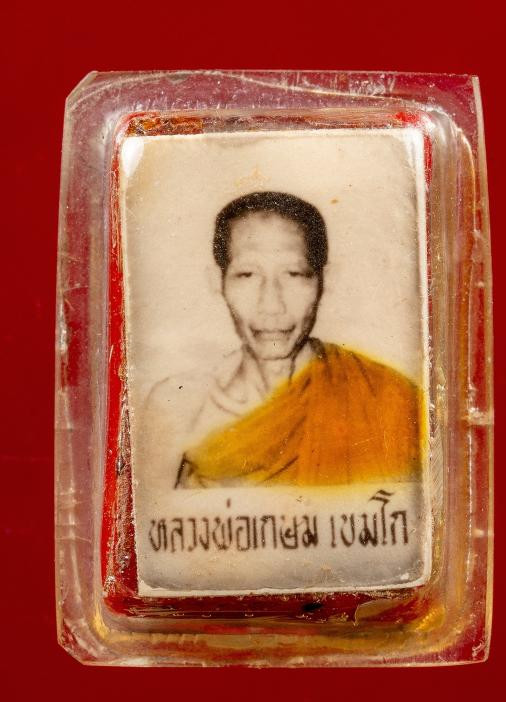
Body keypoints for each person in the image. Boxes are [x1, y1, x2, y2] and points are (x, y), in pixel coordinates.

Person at [143, 191, 422, 490]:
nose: (272, 305)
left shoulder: (387, 401)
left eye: (294, 274)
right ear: (217, 282)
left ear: (325, 280)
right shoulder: (178, 407)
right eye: (247, 274)